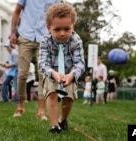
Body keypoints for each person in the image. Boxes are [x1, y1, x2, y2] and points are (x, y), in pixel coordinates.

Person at [39, 3, 85, 133]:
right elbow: (42, 63)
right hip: (51, 72)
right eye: (57, 29)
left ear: (73, 27)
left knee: (68, 97)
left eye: (67, 29)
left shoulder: (76, 41)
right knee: (52, 94)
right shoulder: (45, 41)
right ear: (49, 28)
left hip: (70, 73)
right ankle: (54, 125)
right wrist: (53, 74)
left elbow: (80, 63)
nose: (62, 33)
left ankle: (62, 120)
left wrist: (71, 76)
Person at [10, 0, 60, 119]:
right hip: (25, 35)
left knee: (43, 74)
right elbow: (17, 11)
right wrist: (13, 32)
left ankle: (41, 111)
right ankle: (20, 106)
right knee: (22, 74)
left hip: (44, 38)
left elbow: (57, 17)